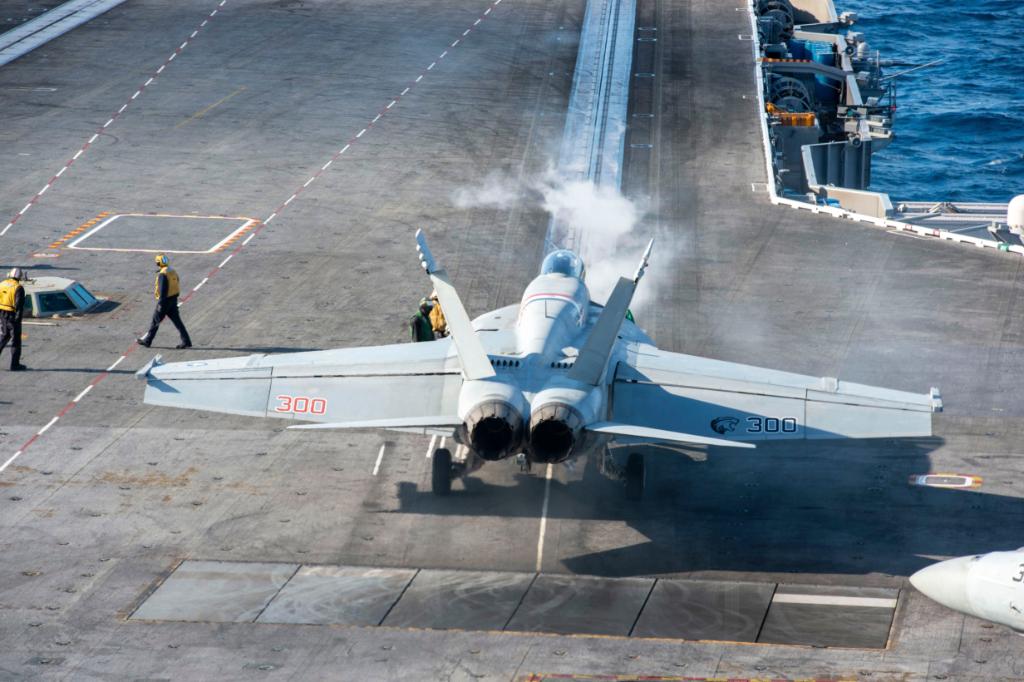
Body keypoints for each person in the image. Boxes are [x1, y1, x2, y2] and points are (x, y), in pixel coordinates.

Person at [137, 254, 192, 349]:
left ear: (158, 263)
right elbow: (176, 283)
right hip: (173, 300)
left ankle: (147, 341)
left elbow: (163, 290)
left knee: (155, 321)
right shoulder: (172, 271)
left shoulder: (163, 274)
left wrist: (161, 304)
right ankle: (186, 341)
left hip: (165, 301)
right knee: (178, 322)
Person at [0, 267, 27, 371]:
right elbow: (19, 306)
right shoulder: (18, 287)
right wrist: (18, 321)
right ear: (19, 277)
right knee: (16, 341)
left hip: (2, 314)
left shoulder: (1, 284)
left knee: (4, 337)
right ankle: (15, 365)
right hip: (12, 316)